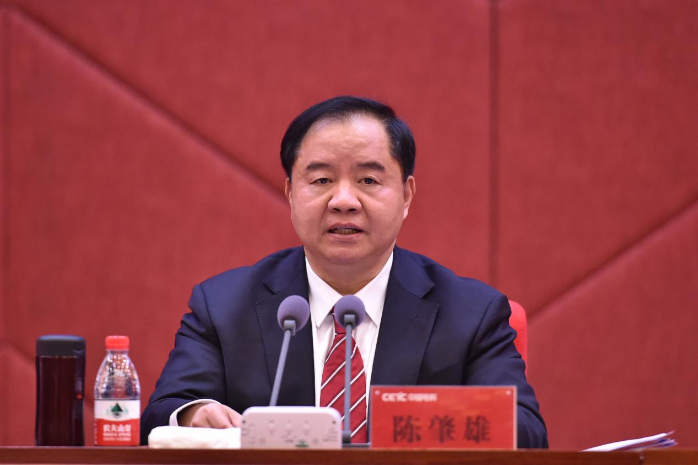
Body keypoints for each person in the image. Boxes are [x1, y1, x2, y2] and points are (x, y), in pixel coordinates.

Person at [141, 96, 548, 448]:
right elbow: (162, 414)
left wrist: (423, 422)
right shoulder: (224, 307)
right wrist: (194, 413)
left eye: (368, 179)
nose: (344, 200)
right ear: (290, 193)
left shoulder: (472, 313)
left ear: (406, 195)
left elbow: (528, 432)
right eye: (321, 179)